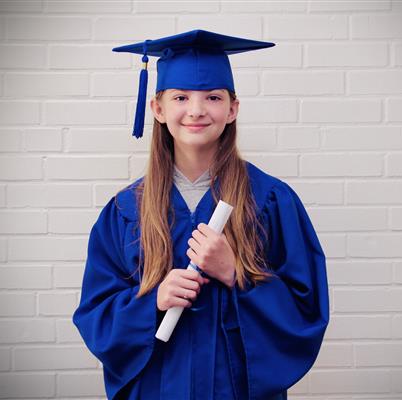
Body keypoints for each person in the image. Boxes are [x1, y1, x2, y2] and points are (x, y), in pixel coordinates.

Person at [72, 29, 329, 400]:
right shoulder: (126, 210)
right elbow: (95, 314)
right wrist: (153, 302)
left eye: (212, 97)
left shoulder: (271, 200)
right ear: (158, 109)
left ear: (232, 108)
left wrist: (235, 274)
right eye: (180, 97)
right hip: (156, 389)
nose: (196, 110)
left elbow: (307, 311)